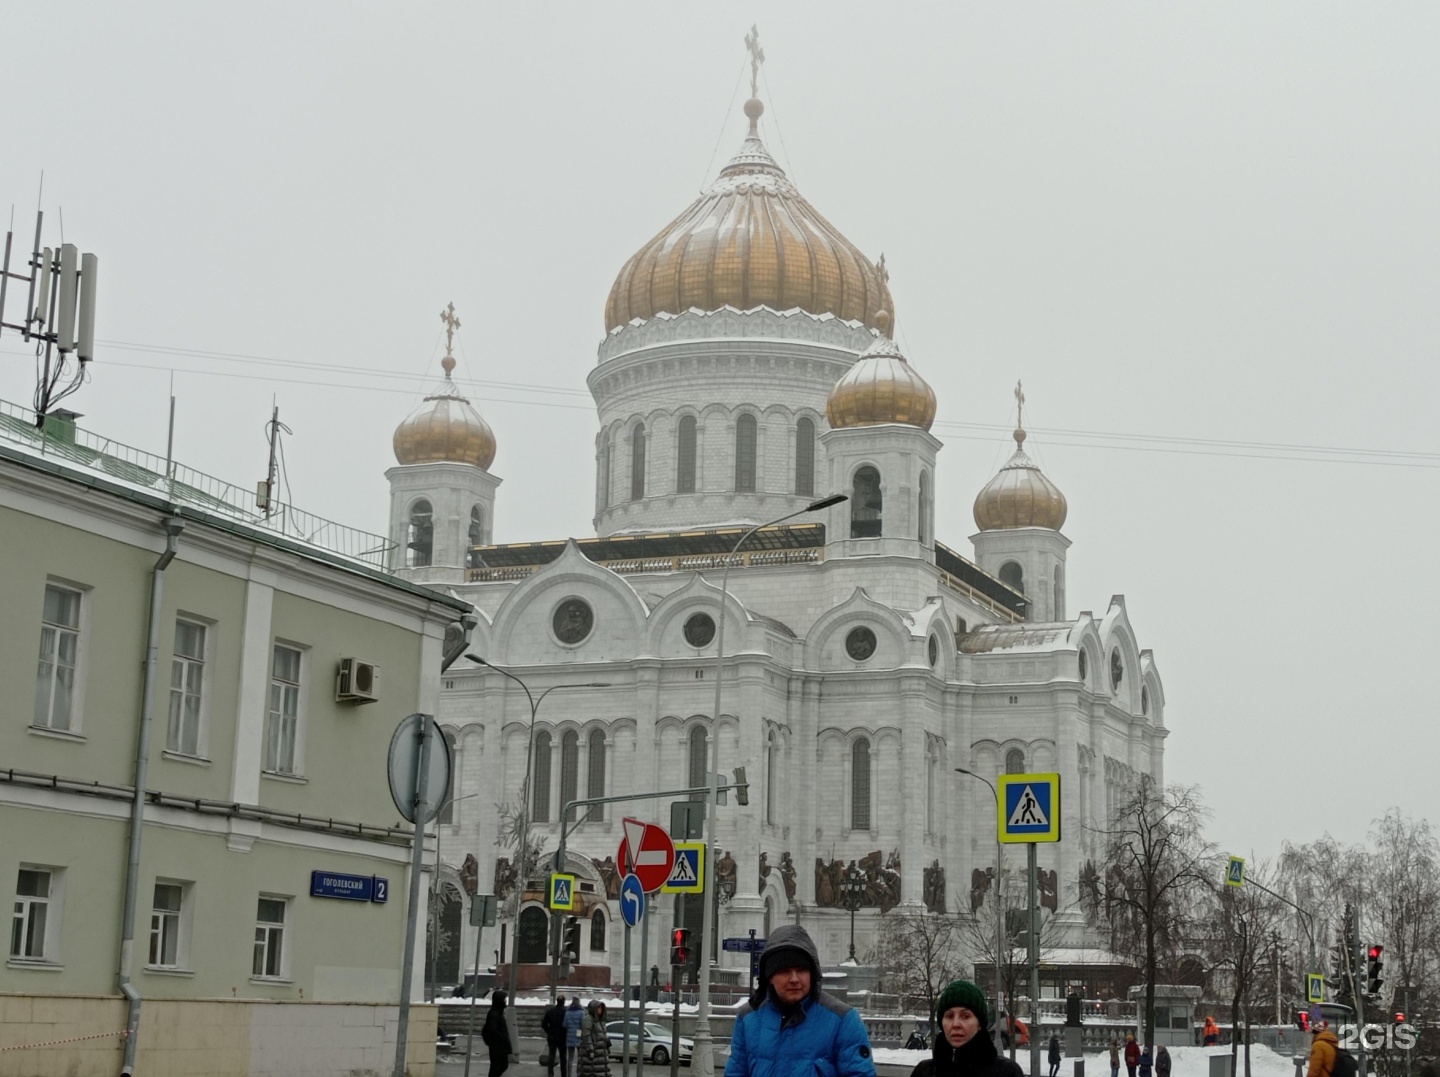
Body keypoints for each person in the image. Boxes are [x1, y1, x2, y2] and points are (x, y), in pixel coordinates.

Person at [727, 924, 877, 1077]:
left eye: (801, 970)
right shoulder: (748, 1018)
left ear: (813, 973)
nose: (794, 979)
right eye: (784, 971)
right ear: (770, 977)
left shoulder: (843, 1020)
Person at [906, 979, 1023, 1077]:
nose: (956, 1024)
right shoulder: (924, 1072)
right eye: (949, 1016)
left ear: (980, 1024)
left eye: (965, 1016)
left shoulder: (1006, 1072)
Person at [482, 989, 513, 1077]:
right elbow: (491, 1029)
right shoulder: (494, 1013)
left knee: (501, 1065)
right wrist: (502, 1037)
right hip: (497, 1045)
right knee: (497, 1066)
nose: (505, 1001)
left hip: (499, 1045)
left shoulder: (498, 1012)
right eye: (504, 999)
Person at [579, 1000, 610, 1077]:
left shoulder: (600, 1021)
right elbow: (586, 1035)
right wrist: (590, 1050)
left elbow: (604, 1035)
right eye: (598, 1007)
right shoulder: (589, 1019)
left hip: (600, 1054)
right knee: (591, 1072)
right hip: (593, 1054)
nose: (600, 1009)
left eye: (601, 1007)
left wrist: (607, 1045)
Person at [542, 995, 568, 1077]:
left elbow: (543, 1024)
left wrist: (549, 1031)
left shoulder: (550, 1011)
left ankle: (550, 1073)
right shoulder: (566, 1012)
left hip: (552, 1037)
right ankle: (563, 1074)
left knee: (551, 1056)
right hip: (563, 1038)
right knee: (563, 1057)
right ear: (564, 1002)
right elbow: (568, 1025)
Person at [565, 995, 585, 1077]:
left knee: (570, 1058)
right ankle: (578, 1073)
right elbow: (583, 1024)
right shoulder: (581, 1012)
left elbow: (564, 1024)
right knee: (580, 1058)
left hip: (569, 1037)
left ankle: (569, 1074)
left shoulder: (567, 1012)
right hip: (579, 1037)